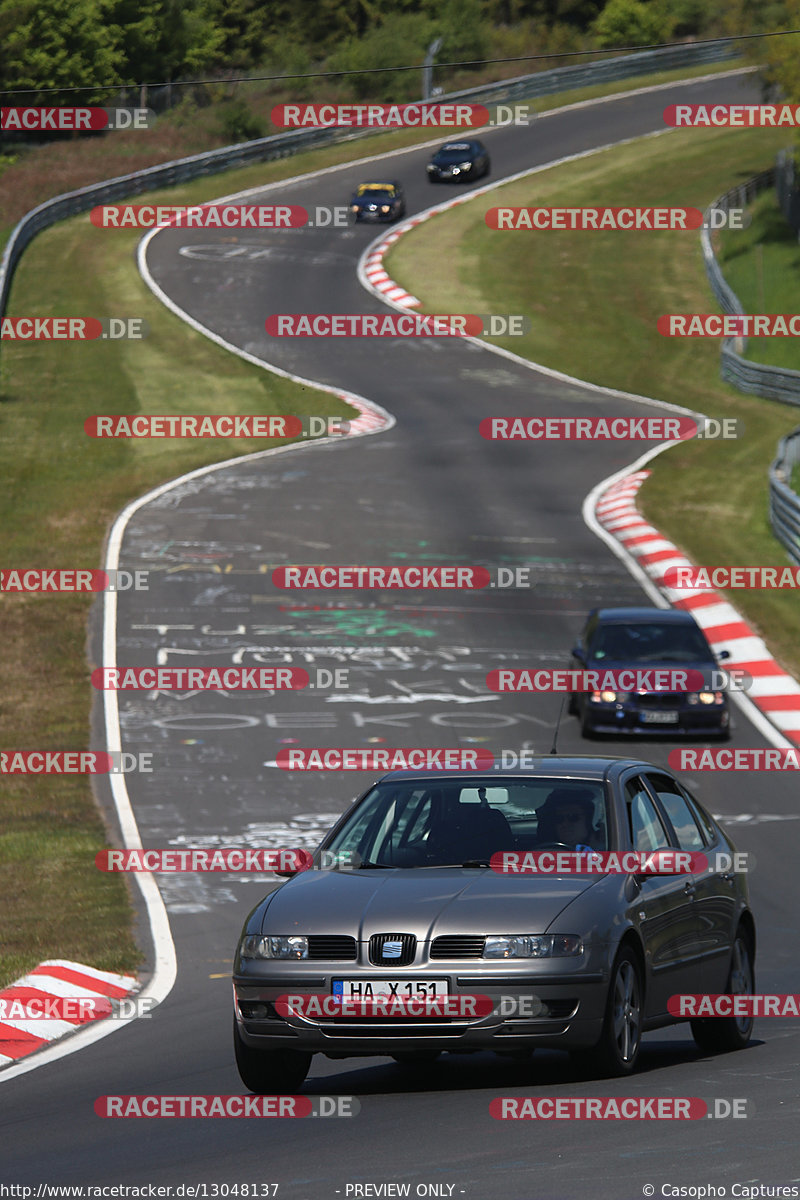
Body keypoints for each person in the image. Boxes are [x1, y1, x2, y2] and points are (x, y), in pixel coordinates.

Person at [535, 787, 603, 851]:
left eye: (573, 817)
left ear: (589, 820)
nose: (564, 824)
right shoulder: (544, 854)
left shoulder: (607, 854)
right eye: (559, 819)